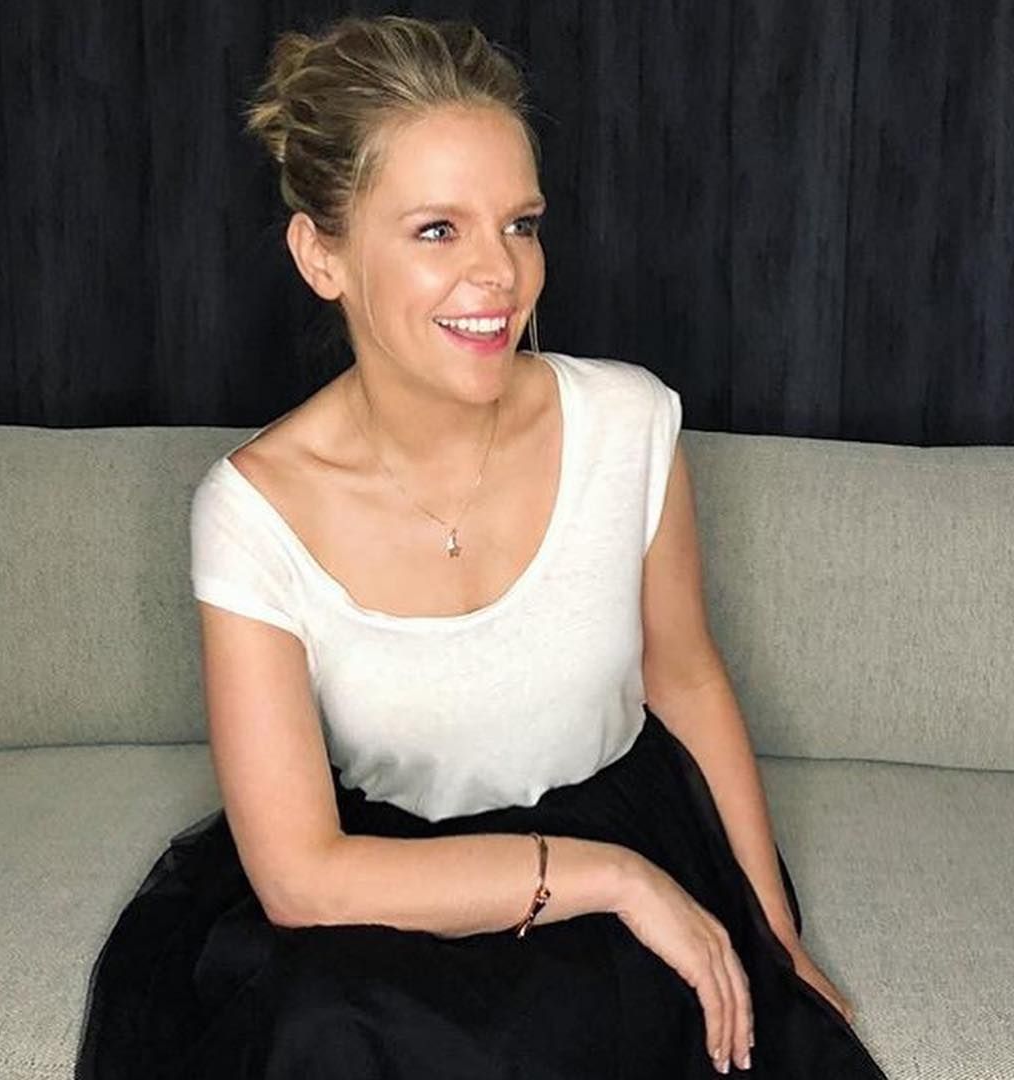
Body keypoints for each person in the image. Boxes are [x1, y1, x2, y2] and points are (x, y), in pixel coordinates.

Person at [75, 14, 890, 1079]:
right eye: (437, 230)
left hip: (630, 834)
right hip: (397, 888)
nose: (499, 273)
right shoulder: (250, 511)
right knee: (320, 1033)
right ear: (322, 255)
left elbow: (686, 678)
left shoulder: (630, 423)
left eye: (520, 224)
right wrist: (610, 879)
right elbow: (303, 877)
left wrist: (775, 939)